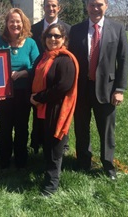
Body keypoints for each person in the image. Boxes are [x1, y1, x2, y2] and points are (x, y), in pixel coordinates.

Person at [68, 0, 128, 180]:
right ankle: (83, 162)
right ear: (87, 6)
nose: (95, 8)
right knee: (81, 128)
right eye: (92, 5)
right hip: (81, 89)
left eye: (99, 5)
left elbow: (123, 60)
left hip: (107, 89)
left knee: (107, 130)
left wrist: (119, 89)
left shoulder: (117, 29)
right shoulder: (75, 30)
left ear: (106, 6)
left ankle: (108, 166)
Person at [30, 23, 79, 196]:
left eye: (57, 36)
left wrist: (38, 98)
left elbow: (62, 87)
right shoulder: (44, 57)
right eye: (49, 35)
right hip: (43, 109)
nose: (53, 39)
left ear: (64, 39)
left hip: (57, 110)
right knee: (47, 144)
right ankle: (46, 176)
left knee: (55, 148)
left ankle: (51, 186)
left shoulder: (65, 60)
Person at [0, 8, 39, 170]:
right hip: (3, 92)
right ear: (6, 23)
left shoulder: (31, 43)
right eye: (11, 21)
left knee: (21, 126)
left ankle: (21, 159)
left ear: (23, 23)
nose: (15, 24)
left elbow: (37, 66)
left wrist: (23, 73)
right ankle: (4, 159)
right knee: (4, 126)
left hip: (23, 91)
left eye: (18, 21)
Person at [31, 0, 71, 153]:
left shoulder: (68, 29)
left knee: (60, 112)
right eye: (48, 5)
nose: (51, 8)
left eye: (54, 5)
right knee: (38, 113)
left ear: (58, 8)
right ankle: (37, 144)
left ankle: (62, 145)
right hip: (40, 77)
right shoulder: (34, 29)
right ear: (43, 7)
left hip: (58, 78)